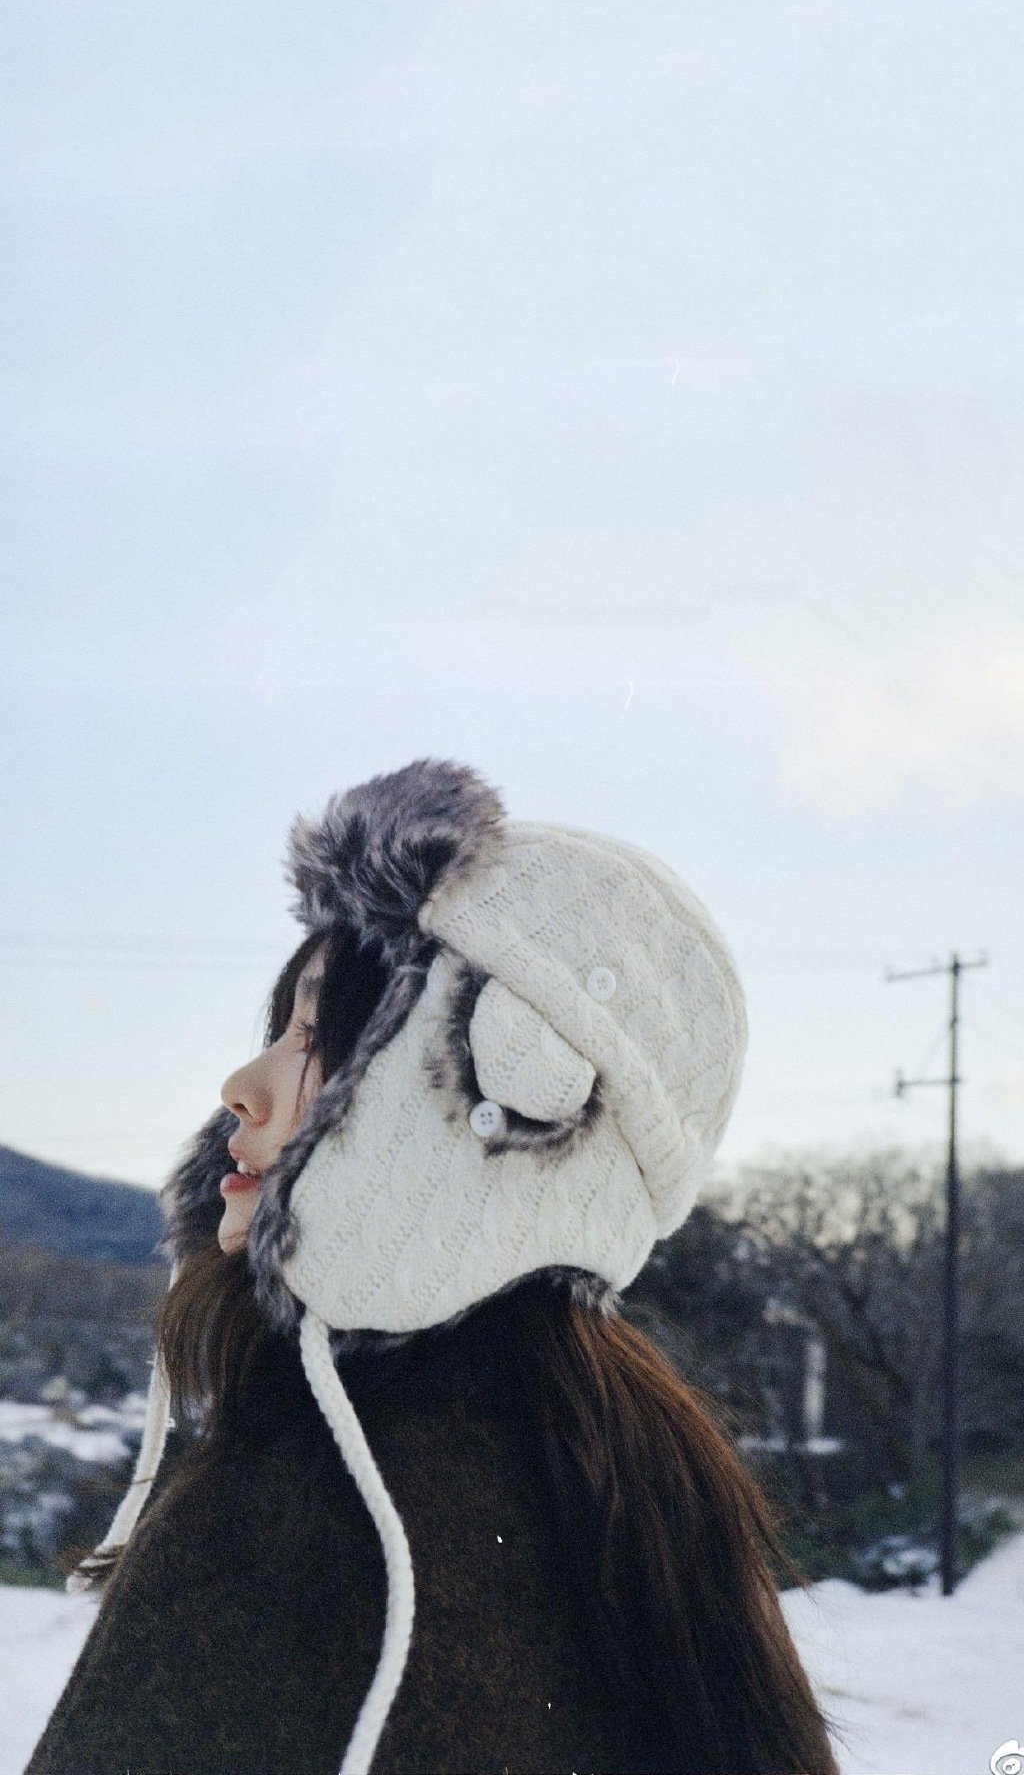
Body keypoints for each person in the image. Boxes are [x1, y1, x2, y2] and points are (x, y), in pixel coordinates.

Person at [28, 756, 845, 1775]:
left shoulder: (300, 1514)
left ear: (489, 1091)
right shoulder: (640, 1485)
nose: (240, 1084)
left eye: (324, 1035)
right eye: (275, 1028)